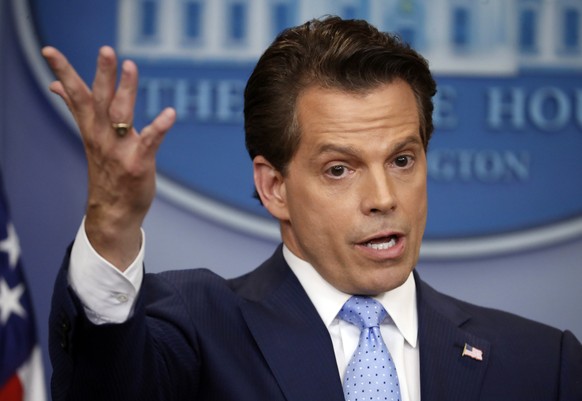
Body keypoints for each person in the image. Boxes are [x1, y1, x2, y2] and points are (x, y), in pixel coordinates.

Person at [43, 16, 581, 401]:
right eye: (339, 169)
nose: (384, 199)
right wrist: (112, 222)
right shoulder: (197, 329)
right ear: (275, 186)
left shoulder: (542, 363)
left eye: (401, 159)